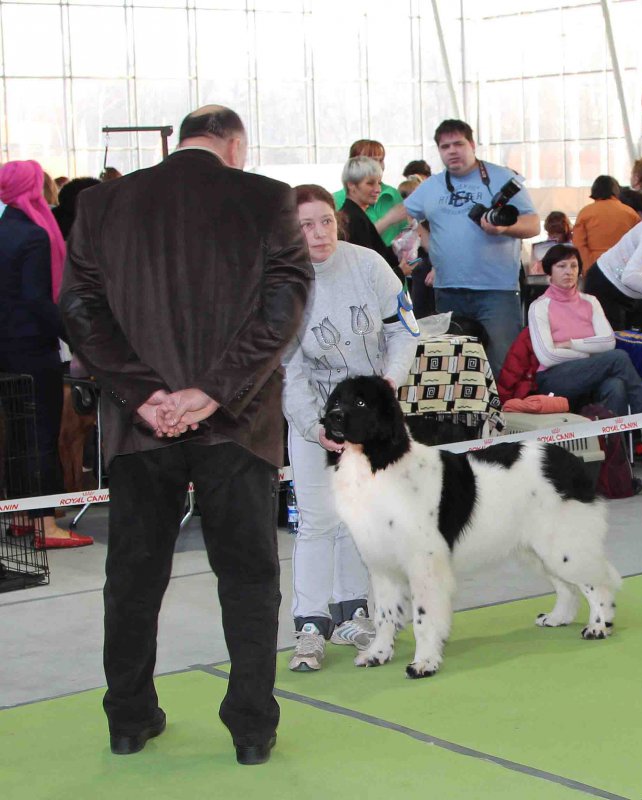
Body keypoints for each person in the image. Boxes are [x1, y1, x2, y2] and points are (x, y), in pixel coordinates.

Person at [59, 105, 313, 765]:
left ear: (178, 141)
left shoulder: (103, 204)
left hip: (139, 427)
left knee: (133, 576)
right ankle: (252, 726)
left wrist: (144, 394)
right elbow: (283, 307)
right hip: (240, 423)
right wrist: (215, 392)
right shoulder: (268, 198)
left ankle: (129, 717)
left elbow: (79, 311)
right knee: (249, 576)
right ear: (235, 145)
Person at [283, 184, 417, 673]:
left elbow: (404, 328)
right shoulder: (283, 282)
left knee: (359, 519)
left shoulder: (369, 265)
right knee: (318, 520)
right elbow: (288, 368)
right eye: (304, 225)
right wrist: (312, 426)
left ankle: (349, 612)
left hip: (372, 423)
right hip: (316, 422)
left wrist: (389, 383)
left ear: (337, 221)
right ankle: (310, 624)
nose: (318, 234)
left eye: (324, 221)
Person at [376, 118, 539, 378]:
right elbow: (404, 210)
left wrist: (503, 228)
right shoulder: (432, 185)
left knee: (503, 365)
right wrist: (375, 226)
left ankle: (508, 416)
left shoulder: (502, 178)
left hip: (496, 292)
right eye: (445, 146)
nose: (452, 151)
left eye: (458, 144)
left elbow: (533, 225)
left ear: (472, 145)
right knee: (455, 368)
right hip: (449, 290)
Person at [0, 160, 93, 548]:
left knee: (19, 436)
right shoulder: (35, 236)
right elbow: (38, 300)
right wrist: (79, 337)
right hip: (33, 349)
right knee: (41, 436)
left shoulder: (5, 230)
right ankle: (46, 524)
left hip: (5, 351)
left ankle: (21, 514)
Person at [528, 244, 642, 456]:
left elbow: (608, 342)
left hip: (592, 372)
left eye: (574, 266)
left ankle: (614, 463)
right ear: (549, 271)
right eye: (561, 266)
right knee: (618, 358)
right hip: (554, 379)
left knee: (616, 385)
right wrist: (590, 350)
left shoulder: (590, 301)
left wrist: (572, 344)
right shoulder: (539, 306)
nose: (568, 271)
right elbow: (547, 356)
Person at [339, 156, 406, 282]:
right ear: (351, 186)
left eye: (379, 183)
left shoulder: (354, 214)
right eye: (370, 183)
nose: (377, 189)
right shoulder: (353, 219)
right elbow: (365, 270)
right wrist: (399, 271)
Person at [332, 139, 407, 245]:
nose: (379, 166)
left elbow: (405, 229)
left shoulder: (393, 194)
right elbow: (353, 241)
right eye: (372, 161)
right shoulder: (336, 201)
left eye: (381, 160)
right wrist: (388, 220)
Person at [572, 175, 640, 274]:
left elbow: (579, 245)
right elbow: (638, 243)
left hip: (596, 266)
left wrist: (587, 268)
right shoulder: (630, 213)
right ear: (616, 190)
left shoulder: (585, 213)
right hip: (624, 267)